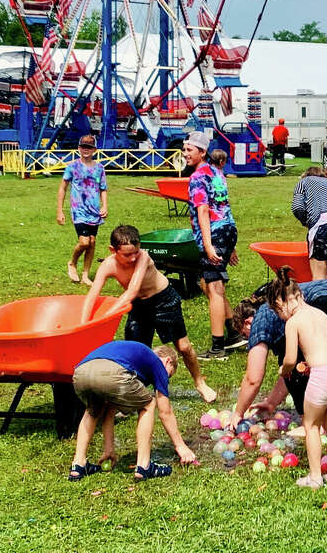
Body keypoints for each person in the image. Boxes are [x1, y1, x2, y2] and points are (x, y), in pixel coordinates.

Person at [79, 224, 217, 403]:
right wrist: (84, 324)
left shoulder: (143, 257)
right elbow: (92, 296)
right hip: (139, 306)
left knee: (183, 346)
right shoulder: (108, 265)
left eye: (135, 251)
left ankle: (200, 383)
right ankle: (133, 392)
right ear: (113, 250)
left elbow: (131, 291)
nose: (133, 257)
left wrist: (105, 317)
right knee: (134, 350)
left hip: (163, 299)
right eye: (127, 254)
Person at [227, 277, 327, 428]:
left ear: (247, 322)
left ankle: (311, 424)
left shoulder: (262, 317)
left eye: (244, 334)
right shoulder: (278, 314)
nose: (248, 339)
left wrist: (238, 413)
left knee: (299, 366)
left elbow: (253, 378)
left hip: (326, 300)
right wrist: (271, 403)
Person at [266, 269, 327, 488]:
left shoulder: (293, 322)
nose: (280, 316)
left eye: (278, 311)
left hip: (323, 376)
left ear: (282, 303)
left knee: (311, 425)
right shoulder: (320, 313)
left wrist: (284, 371)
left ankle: (315, 477)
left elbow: (289, 359)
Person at [69, 340, 196, 481]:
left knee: (94, 410)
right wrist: (181, 446)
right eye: (169, 375)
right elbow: (165, 412)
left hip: (81, 372)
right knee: (148, 404)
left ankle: (78, 465)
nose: (165, 379)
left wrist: (108, 449)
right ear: (167, 361)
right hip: (112, 372)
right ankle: (144, 466)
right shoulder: (157, 363)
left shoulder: (131, 355)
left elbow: (110, 410)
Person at [183, 131, 242, 360]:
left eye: (190, 150)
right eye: (185, 149)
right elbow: (224, 205)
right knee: (208, 285)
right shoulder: (217, 172)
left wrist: (208, 245)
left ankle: (218, 348)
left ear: (202, 152)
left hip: (214, 233)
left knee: (214, 288)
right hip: (227, 230)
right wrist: (231, 244)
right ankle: (234, 334)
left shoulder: (197, 177)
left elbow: (204, 210)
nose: (185, 153)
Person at [56, 134, 108, 284]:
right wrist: (60, 211)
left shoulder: (100, 168)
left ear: (95, 150)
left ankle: (85, 274)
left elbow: (103, 189)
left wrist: (104, 205)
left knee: (92, 241)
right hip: (78, 210)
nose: (86, 150)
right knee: (84, 242)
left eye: (89, 147)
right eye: (83, 147)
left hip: (94, 210)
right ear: (79, 148)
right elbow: (63, 188)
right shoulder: (72, 167)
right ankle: (72, 263)